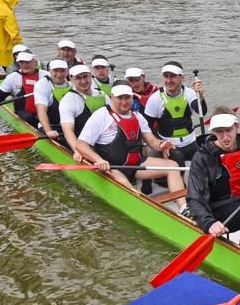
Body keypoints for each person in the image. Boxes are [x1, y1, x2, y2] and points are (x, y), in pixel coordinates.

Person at [75, 83, 188, 213]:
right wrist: (99, 160)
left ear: (132, 98)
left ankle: (184, 208)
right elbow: (80, 144)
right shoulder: (100, 116)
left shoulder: (138, 116)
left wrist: (162, 144)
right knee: (128, 188)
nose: (124, 102)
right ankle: (143, 211)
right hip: (112, 167)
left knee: (173, 166)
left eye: (127, 98)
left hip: (136, 165)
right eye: (120, 98)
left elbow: (152, 141)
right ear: (112, 97)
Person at [186, 107, 240, 250]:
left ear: (237, 127)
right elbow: (195, 198)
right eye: (219, 131)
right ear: (213, 131)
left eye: (228, 130)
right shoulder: (202, 157)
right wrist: (209, 223)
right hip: (217, 210)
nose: (225, 137)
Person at [143, 61, 207, 167]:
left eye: (173, 76)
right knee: (178, 157)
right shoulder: (155, 98)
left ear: (182, 78)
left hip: (190, 141)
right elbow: (147, 126)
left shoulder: (190, 93)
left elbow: (202, 111)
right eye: (166, 76)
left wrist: (200, 96)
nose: (168, 80)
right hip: (170, 144)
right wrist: (161, 144)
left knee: (205, 159)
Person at [59, 64, 109, 162]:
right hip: (83, 143)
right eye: (78, 78)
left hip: (104, 141)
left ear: (90, 76)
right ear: (71, 79)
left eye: (85, 76)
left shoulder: (103, 95)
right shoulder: (68, 100)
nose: (83, 81)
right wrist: (77, 150)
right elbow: (68, 130)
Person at [0, 51, 47, 126]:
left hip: (45, 110)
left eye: (27, 62)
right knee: (28, 117)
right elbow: (0, 95)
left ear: (35, 62)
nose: (24, 65)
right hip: (24, 113)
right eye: (21, 62)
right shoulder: (13, 77)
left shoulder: (46, 75)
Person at [33, 58, 71, 142]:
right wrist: (48, 130)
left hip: (70, 126)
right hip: (52, 127)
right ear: (49, 70)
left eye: (62, 71)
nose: (59, 74)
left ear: (67, 71)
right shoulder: (42, 84)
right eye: (55, 71)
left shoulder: (73, 82)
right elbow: (41, 110)